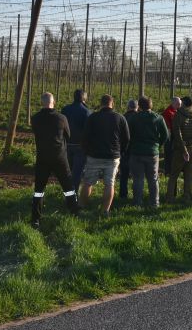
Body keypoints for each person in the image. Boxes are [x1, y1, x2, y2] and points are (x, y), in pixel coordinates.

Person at [30, 92, 80, 227]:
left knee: (39, 189)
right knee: (68, 187)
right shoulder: (61, 118)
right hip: (60, 158)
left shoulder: (34, 118)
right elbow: (68, 135)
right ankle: (74, 212)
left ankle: (35, 218)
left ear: (42, 103)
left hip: (42, 158)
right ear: (54, 102)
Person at [80, 94, 131, 217]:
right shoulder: (120, 118)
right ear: (112, 104)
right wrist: (120, 152)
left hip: (94, 156)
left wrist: (87, 151)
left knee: (88, 183)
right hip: (112, 157)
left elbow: (85, 137)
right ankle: (105, 210)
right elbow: (127, 138)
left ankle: (81, 207)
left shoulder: (93, 117)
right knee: (109, 183)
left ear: (101, 104)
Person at [126, 96, 169, 208]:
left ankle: (137, 203)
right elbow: (165, 135)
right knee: (153, 179)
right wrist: (157, 145)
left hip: (136, 152)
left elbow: (127, 135)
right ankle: (155, 203)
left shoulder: (134, 118)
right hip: (152, 153)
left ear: (139, 106)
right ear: (151, 105)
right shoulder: (158, 118)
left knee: (138, 179)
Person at [167, 96, 192, 201]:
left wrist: (183, 147)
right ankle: (187, 197)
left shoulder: (178, 115)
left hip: (179, 150)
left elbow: (177, 133)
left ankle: (170, 197)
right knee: (189, 175)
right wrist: (189, 143)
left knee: (174, 174)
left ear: (184, 103)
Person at [61, 89, 91, 192]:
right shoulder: (87, 112)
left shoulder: (65, 109)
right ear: (84, 98)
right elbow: (88, 131)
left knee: (68, 171)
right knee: (77, 173)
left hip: (67, 145)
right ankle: (74, 196)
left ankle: (68, 193)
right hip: (80, 146)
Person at [117, 99, 137, 200]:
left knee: (124, 174)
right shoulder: (139, 118)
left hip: (124, 149)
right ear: (137, 107)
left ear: (128, 107)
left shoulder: (122, 117)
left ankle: (123, 195)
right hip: (136, 150)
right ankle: (136, 195)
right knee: (137, 175)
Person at [161, 96, 180, 177]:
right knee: (169, 154)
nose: (180, 106)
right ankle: (168, 171)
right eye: (178, 104)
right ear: (173, 103)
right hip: (170, 137)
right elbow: (168, 127)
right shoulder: (168, 112)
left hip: (175, 136)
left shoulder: (176, 110)